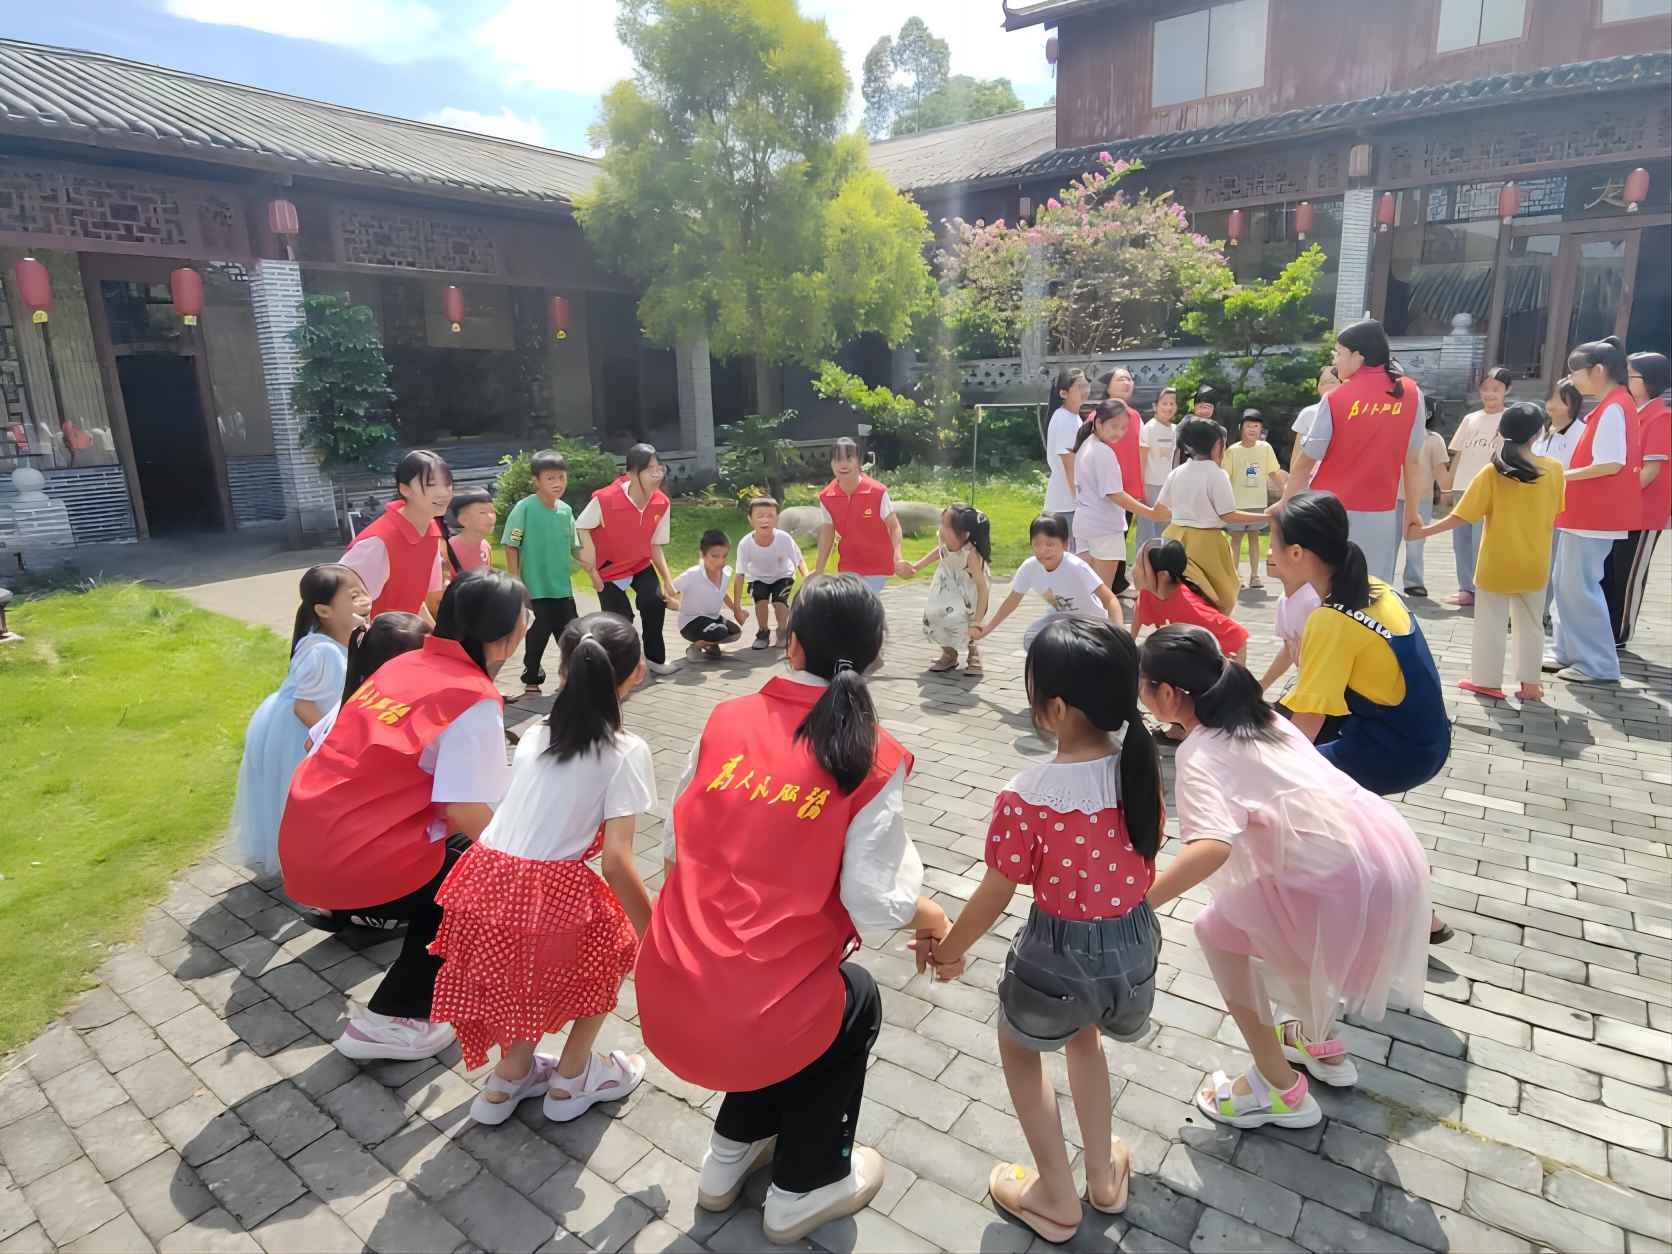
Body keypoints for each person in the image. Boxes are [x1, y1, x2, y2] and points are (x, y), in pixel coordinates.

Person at [635, 575, 951, 1242]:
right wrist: (936, 920)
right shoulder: (871, 757)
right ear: (876, 655)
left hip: (666, 993)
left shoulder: (726, 720)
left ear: (793, 644)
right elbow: (875, 900)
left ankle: (728, 1156)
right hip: (750, 1016)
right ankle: (804, 1187)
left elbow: (671, 846)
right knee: (850, 999)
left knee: (775, 984)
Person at [924, 619, 1161, 1243]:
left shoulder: (1028, 794)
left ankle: (1056, 1197)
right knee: (1085, 1038)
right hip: (1133, 947)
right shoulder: (1139, 770)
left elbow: (997, 891)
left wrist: (949, 951)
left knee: (1019, 1047)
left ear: (1054, 709)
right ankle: (1103, 1177)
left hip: (1057, 955)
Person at [1141, 626, 1430, 1130]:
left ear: (1167, 694)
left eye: (1142, 684)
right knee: (1279, 927)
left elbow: (1211, 846)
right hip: (1384, 852)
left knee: (1218, 931)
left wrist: (1136, 905)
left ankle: (1278, 1087)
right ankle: (1318, 1042)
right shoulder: (1266, 717)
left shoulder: (1200, 752)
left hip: (1337, 876)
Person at [279, 570, 529, 1062]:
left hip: (308, 842)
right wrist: (527, 866)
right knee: (484, 880)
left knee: (464, 857)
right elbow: (467, 809)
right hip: (350, 860)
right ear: (506, 637)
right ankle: (396, 1018)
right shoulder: (472, 697)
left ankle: (399, 940)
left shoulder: (407, 663)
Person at [429, 613, 655, 1125]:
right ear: (637, 672)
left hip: (483, 877)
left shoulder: (535, 733)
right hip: (545, 884)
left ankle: (508, 1079)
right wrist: (654, 934)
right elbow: (617, 862)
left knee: (523, 977)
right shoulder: (626, 750)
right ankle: (572, 1077)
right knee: (614, 949)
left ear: (562, 671)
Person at [1269, 492, 1450, 815]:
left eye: (1273, 543)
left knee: (1281, 780)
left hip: (1400, 751)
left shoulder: (1329, 620)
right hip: (1427, 738)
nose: (1270, 552)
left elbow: (1308, 721)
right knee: (1274, 730)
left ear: (1295, 553)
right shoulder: (1373, 587)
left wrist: (1270, 777)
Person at [1409, 403, 1563, 702]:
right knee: (1531, 625)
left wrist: (1423, 531)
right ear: (1538, 434)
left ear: (1501, 433)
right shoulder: (1555, 470)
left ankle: (1487, 681)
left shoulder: (1493, 472)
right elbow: (1557, 510)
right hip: (1535, 562)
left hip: (1496, 563)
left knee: (1490, 624)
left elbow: (1462, 516)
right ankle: (1530, 685)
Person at [232, 564, 369, 876]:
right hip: (303, 734)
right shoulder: (322, 652)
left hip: (318, 728)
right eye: (353, 596)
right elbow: (304, 707)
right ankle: (313, 867)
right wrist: (332, 744)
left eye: (364, 592)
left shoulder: (346, 640)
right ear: (324, 610)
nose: (365, 600)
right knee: (306, 803)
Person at [1282, 321, 1427, 585]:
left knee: (1329, 584)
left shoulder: (1336, 398)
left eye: (1339, 353)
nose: (1335, 361)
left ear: (1358, 356)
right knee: (1374, 586)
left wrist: (1286, 505)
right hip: (1382, 510)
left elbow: (1305, 461)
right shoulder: (1412, 394)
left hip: (1330, 511)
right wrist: (1412, 512)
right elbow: (1413, 459)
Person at [1549, 337, 1643, 684]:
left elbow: (1610, 463)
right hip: (1585, 513)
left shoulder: (1615, 407)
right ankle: (1567, 651)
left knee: (1580, 587)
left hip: (1595, 514)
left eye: (1576, 372)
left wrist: (1560, 475)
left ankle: (1597, 663)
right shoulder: (1612, 405)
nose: (1572, 380)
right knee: (1566, 584)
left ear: (1598, 370)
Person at [576, 443, 681, 676]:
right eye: (650, 469)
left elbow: (655, 545)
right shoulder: (605, 499)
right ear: (632, 473)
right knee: (620, 622)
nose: (657, 474)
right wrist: (592, 573)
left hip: (640, 564)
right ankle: (622, 669)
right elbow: (581, 528)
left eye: (660, 468)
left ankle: (655, 659)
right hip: (608, 570)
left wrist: (667, 580)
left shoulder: (661, 502)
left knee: (654, 603)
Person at [1158, 418, 1268, 613]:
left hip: (1173, 537)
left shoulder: (1177, 472)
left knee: (1179, 592)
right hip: (1205, 542)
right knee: (1217, 594)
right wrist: (1266, 517)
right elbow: (1228, 515)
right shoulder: (1217, 474)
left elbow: (1162, 507)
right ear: (1218, 445)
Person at [973, 515, 1120, 650]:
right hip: (1059, 621)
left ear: (1065, 544)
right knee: (1032, 639)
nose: (1043, 550)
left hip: (1090, 622)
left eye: (1050, 544)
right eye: (1037, 544)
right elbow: (1012, 601)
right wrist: (987, 629)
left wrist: (1119, 635)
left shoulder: (1076, 567)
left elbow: (1110, 599)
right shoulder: (1029, 568)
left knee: (1081, 651)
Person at [1603, 352, 1670, 647]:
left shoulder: (1661, 417)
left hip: (1644, 512)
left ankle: (1620, 632)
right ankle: (1606, 626)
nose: (1625, 380)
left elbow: (1651, 470)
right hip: (1622, 510)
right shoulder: (1632, 413)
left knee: (1629, 574)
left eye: (1631, 375)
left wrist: (1621, 498)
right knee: (1612, 571)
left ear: (1649, 380)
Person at [1072, 399, 1168, 599]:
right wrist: (1151, 513)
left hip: (1086, 523)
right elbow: (1114, 493)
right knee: (1103, 596)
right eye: (1114, 426)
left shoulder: (1086, 445)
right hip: (1104, 527)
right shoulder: (1102, 451)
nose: (1119, 432)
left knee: (1088, 593)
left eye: (1123, 428)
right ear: (1099, 423)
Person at [341, 449, 452, 619]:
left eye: (447, 484)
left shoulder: (431, 531)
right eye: (431, 484)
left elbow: (415, 602)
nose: (444, 492)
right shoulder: (377, 543)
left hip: (403, 631)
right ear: (405, 489)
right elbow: (341, 606)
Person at [503, 450, 579, 694]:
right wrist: (515, 580)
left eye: (561, 477)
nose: (557, 483)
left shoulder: (566, 511)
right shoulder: (524, 508)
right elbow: (512, 543)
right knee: (540, 631)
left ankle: (569, 676)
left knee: (570, 634)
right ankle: (532, 676)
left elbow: (574, 545)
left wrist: (592, 567)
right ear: (536, 481)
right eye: (550, 478)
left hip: (562, 588)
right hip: (534, 587)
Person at [1442, 367, 1511, 607]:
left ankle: (1483, 588)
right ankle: (1466, 589)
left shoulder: (1510, 419)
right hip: (1463, 487)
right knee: (1460, 541)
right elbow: (1458, 455)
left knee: (1480, 541)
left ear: (1507, 390)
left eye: (1496, 389)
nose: (1490, 394)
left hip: (1491, 489)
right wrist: (1447, 488)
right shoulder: (1470, 419)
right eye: (1485, 389)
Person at [814, 438, 913, 593]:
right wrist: (818, 571)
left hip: (877, 565)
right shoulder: (826, 497)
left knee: (865, 602)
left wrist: (898, 558)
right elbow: (827, 533)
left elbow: (894, 527)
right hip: (848, 565)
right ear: (832, 464)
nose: (843, 465)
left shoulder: (877, 492)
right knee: (851, 605)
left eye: (849, 459)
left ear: (859, 462)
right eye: (838, 460)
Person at [1130, 539, 1248, 663]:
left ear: (1163, 575)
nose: (1133, 571)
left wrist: (1234, 672)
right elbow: (1138, 612)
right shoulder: (1149, 590)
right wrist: (1129, 645)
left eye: (1140, 566)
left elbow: (1237, 634)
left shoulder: (1191, 609)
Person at [913, 503, 992, 675]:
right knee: (934, 614)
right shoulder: (945, 540)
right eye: (941, 523)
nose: (940, 529)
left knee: (964, 619)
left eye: (946, 526)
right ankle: (949, 653)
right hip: (946, 583)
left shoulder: (971, 555)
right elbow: (940, 551)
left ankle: (973, 651)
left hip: (968, 589)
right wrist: (917, 566)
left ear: (965, 535)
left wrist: (978, 621)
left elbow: (982, 587)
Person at [732, 496, 807, 650]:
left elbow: (799, 561)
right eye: (760, 516)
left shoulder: (784, 538)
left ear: (777, 519)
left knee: (779, 601)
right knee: (761, 601)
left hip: (783, 575)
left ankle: (782, 631)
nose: (765, 520)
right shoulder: (745, 544)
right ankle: (763, 632)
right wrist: (736, 606)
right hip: (757, 577)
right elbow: (739, 575)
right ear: (750, 519)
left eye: (770, 516)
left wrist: (807, 579)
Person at [1223, 410, 1285, 589]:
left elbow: (1274, 472)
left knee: (1254, 538)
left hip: (1257, 503)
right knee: (1235, 539)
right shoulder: (1232, 450)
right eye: (1248, 426)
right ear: (1241, 428)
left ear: (1261, 429)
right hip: (1237, 504)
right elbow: (1225, 476)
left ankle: (1255, 576)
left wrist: (1286, 492)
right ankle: (1235, 577)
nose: (1252, 429)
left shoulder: (1265, 448)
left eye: (1256, 426)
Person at [1400, 405, 1451, 598]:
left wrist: (1446, 491)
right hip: (1393, 497)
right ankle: (1384, 580)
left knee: (1416, 541)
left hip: (1422, 497)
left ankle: (1414, 582)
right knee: (1389, 542)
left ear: (1428, 414)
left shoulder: (1433, 439)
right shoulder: (1395, 432)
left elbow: (1440, 469)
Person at [674, 530, 745, 659]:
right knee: (721, 631)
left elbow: (723, 593)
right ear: (703, 555)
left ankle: (711, 645)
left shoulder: (725, 573)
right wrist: (676, 605)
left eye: (724, 556)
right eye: (714, 556)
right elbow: (671, 590)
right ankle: (694, 648)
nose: (720, 561)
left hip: (713, 618)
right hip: (691, 621)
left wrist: (736, 610)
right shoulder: (692, 574)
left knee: (736, 632)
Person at [1043, 368, 1091, 532]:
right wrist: (1081, 501)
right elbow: (1070, 465)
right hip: (1065, 505)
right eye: (1079, 386)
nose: (1085, 390)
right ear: (1063, 393)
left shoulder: (1073, 417)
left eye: (1086, 385)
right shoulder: (1065, 419)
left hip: (1067, 502)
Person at [1099, 367, 1147, 515]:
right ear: (1108, 388)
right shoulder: (1098, 417)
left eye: (1129, 379)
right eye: (1120, 379)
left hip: (1129, 493)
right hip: (1105, 491)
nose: (1126, 383)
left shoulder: (1135, 416)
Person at [1137, 388, 1180, 547]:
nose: (1168, 407)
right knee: (1147, 531)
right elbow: (1141, 460)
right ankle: (1143, 560)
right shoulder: (1149, 428)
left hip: (1169, 486)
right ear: (1155, 406)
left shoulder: (1176, 430)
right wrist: (1141, 488)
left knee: (1166, 529)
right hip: (1150, 485)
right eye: (1164, 403)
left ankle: (1163, 560)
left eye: (1172, 403)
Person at [443, 489, 496, 578]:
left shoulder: (485, 545)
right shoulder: (449, 549)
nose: (490, 517)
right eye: (483, 513)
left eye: (492, 512)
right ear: (464, 520)